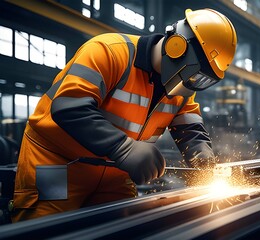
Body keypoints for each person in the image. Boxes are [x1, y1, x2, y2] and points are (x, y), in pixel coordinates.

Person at [11, 8, 237, 222]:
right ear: (178, 46)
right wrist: (124, 147)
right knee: (47, 228)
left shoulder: (181, 86)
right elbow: (69, 106)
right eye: (197, 74)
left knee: (125, 226)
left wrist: (201, 153)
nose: (193, 84)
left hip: (115, 171)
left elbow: (189, 124)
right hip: (59, 164)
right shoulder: (108, 51)